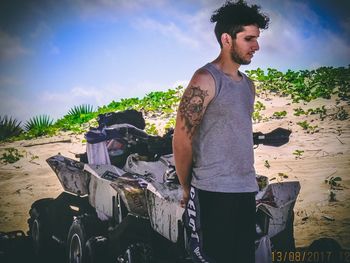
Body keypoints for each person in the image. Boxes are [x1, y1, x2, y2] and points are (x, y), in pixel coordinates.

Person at [172, 1, 270, 262]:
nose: (256, 46)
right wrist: (186, 188)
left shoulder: (248, 86)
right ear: (227, 39)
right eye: (249, 39)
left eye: (256, 39)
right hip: (212, 192)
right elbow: (182, 138)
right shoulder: (205, 79)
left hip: (245, 190)